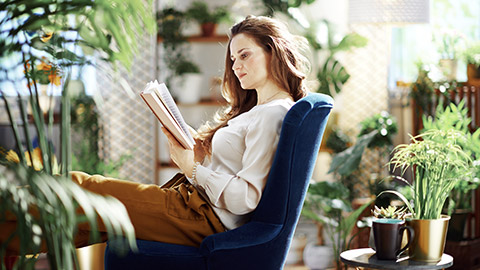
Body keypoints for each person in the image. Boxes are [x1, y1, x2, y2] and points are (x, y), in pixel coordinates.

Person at [1, 15, 311, 252]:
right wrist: (197, 150)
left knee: (81, 186)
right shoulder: (261, 109)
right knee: (85, 221)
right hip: (194, 206)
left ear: (273, 51)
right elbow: (234, 168)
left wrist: (192, 167)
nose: (236, 66)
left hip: (203, 218)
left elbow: (246, 199)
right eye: (233, 59)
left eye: (245, 55)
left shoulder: (274, 113)